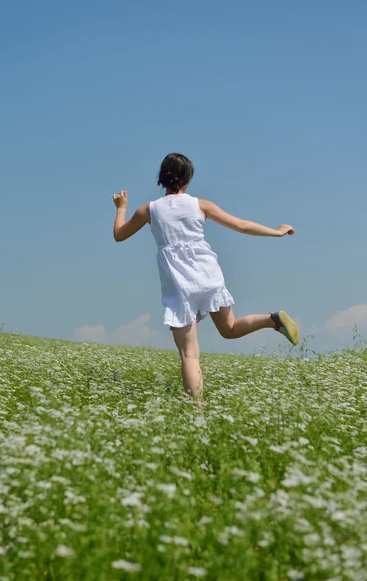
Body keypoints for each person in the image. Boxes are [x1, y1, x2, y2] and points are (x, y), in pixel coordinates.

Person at [112, 153, 299, 404]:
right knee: (229, 329)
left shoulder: (149, 210)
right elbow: (242, 225)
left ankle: (197, 416)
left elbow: (119, 235)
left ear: (161, 178)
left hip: (179, 284)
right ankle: (272, 320)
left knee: (189, 355)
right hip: (208, 274)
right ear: (187, 180)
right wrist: (276, 233)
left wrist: (121, 209)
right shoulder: (201, 205)